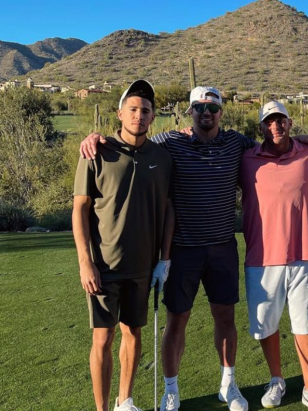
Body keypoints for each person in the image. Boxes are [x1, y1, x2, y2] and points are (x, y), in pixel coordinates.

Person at [80, 86, 253, 411]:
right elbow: (132, 140)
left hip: (222, 247)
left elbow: (272, 149)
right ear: (190, 111)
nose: (207, 112)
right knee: (177, 320)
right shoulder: (169, 143)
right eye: (199, 107)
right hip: (183, 251)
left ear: (220, 112)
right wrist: (95, 137)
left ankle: (228, 385)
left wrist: (303, 142)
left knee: (225, 317)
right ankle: (171, 390)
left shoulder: (236, 143)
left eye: (213, 108)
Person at [73, 80, 173, 411]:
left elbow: (169, 208)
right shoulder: (96, 152)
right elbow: (80, 209)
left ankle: (124, 401)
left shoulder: (162, 157)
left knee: (133, 333)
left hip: (143, 267)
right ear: (119, 113)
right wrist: (85, 263)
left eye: (145, 111)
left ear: (153, 117)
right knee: (103, 338)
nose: (139, 116)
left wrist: (164, 259)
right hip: (103, 266)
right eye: (132, 109)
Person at [239, 101, 308, 411]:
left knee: (305, 323)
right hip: (261, 257)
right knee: (266, 324)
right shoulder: (246, 158)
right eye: (269, 121)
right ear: (262, 127)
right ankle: (276, 379)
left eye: (281, 120)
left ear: (290, 124)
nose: (275, 126)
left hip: (302, 254)